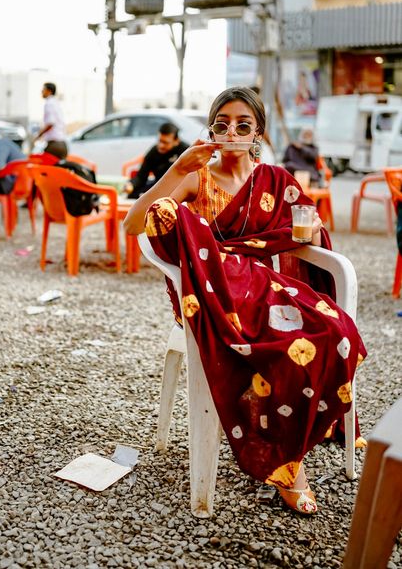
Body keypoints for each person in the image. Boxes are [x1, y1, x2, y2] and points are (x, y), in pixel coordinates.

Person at [124, 86, 366, 516]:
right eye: (221, 124)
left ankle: (293, 434)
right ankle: (290, 467)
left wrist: (302, 235)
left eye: (242, 124)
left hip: (265, 286)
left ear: (258, 132)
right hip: (210, 294)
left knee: (335, 330)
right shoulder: (195, 175)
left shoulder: (276, 180)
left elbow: (305, 231)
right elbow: (133, 225)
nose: (230, 132)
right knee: (286, 345)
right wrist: (176, 167)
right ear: (211, 128)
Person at [123, 122, 189, 199]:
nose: (161, 145)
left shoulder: (185, 150)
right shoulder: (154, 152)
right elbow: (141, 176)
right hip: (158, 185)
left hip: (179, 187)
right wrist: (131, 184)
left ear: (176, 141)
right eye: (160, 141)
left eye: (165, 142)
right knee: (133, 195)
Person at [34, 82, 68, 159]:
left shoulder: (49, 104)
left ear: (49, 91)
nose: (42, 92)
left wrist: (39, 135)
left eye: (43, 89)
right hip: (62, 144)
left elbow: (50, 123)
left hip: (54, 145)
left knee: (42, 166)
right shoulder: (56, 103)